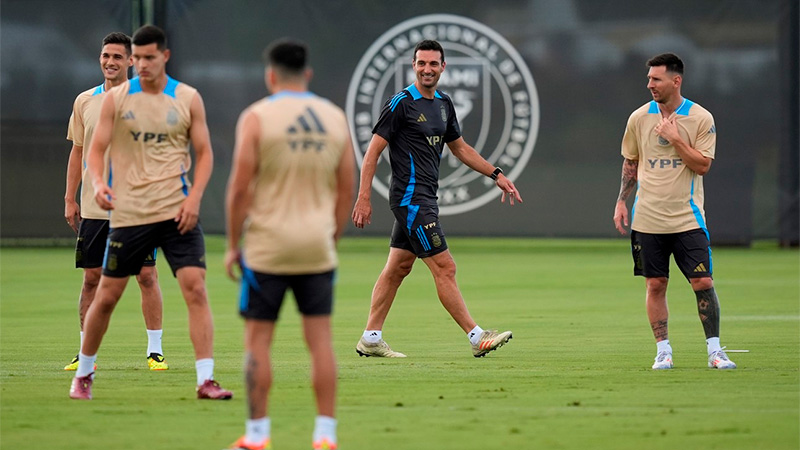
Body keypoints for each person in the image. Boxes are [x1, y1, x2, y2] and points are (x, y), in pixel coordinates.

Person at [69, 25, 232, 400]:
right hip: (131, 213)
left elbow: (205, 153)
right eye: (137, 58)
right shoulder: (116, 100)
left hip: (177, 212)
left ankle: (205, 379)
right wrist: (97, 183)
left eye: (148, 58)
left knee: (195, 288)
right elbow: (94, 149)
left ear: (165, 57)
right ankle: (85, 371)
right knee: (107, 295)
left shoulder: (187, 98)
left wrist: (195, 200)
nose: (141, 65)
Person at [351, 39, 521, 358]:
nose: (427, 69)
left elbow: (460, 148)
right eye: (421, 63)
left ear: (443, 67)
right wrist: (363, 198)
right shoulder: (401, 102)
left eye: (433, 64)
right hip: (411, 200)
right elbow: (372, 152)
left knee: (398, 267)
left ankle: (371, 338)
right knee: (445, 266)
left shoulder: (443, 103)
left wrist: (496, 174)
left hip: (425, 198)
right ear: (413, 66)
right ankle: (476, 337)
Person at [223, 39, 355, 450]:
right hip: (316, 246)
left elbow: (239, 189)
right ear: (308, 74)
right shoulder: (335, 118)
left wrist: (232, 244)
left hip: (267, 248)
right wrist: (330, 235)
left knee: (258, 342)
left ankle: (258, 436)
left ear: (271, 74)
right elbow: (345, 189)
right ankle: (325, 436)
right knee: (320, 342)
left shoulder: (257, 116)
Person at [613, 52, 736, 370]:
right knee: (655, 284)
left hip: (687, 217)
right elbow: (631, 162)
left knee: (703, 283)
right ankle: (663, 351)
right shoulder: (639, 118)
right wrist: (621, 201)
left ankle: (715, 351)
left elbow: (703, 165)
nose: (649, 84)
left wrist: (675, 138)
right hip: (648, 218)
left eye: (656, 79)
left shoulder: (700, 118)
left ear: (675, 80)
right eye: (649, 78)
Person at [64, 31, 168, 373]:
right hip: (94, 207)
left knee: (147, 276)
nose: (110, 62)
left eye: (117, 57)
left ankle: (155, 352)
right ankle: (84, 353)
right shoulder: (85, 101)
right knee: (92, 278)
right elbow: (77, 150)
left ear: (131, 63)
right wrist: (70, 198)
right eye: (106, 55)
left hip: (138, 208)